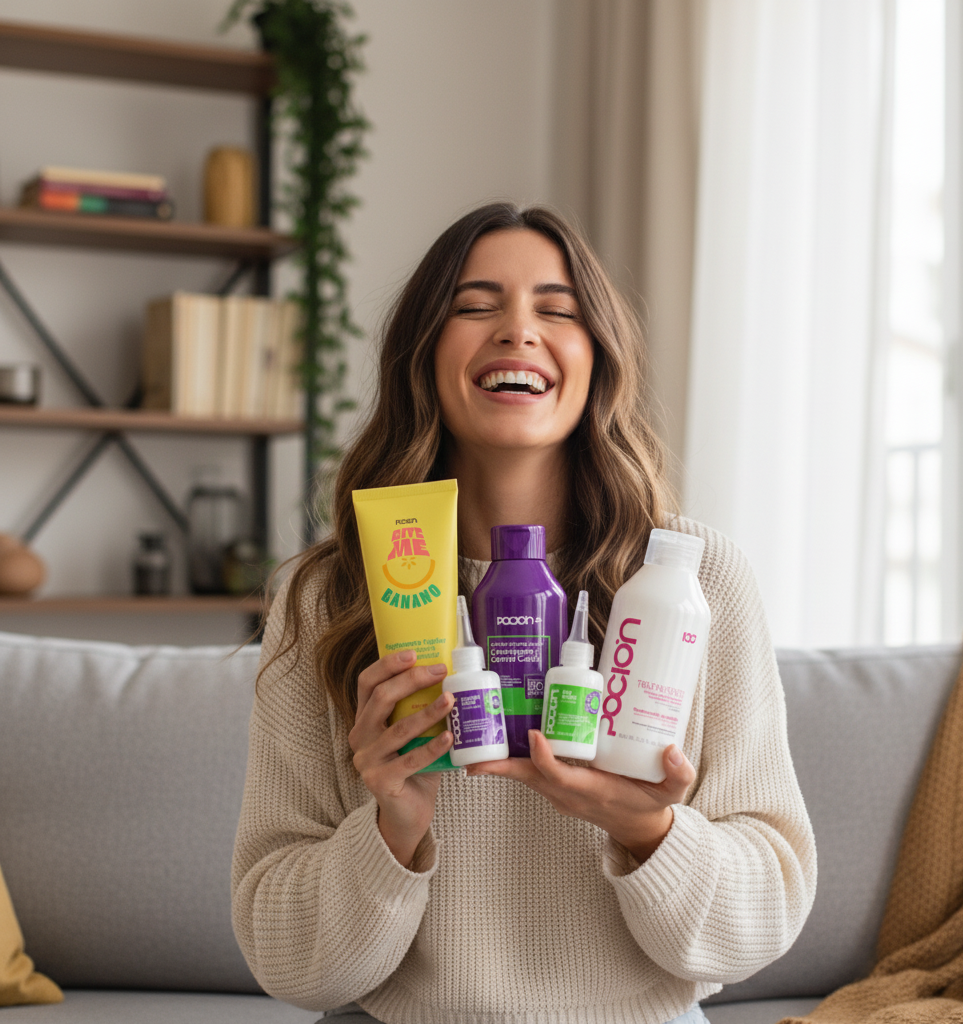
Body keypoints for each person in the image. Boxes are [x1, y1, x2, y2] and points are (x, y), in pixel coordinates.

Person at [231, 203, 817, 1024]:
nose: (517, 331)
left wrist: (646, 829)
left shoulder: (693, 580)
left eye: (558, 309)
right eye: (474, 306)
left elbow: (762, 921)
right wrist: (392, 826)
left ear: (599, 358)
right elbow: (288, 961)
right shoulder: (328, 595)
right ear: (423, 355)